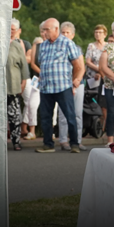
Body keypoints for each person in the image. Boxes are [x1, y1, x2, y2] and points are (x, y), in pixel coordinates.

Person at [34, 18, 85, 153]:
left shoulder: (67, 43)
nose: (44, 32)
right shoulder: (43, 45)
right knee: (45, 117)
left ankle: (74, 144)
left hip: (63, 87)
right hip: (45, 87)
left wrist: (73, 82)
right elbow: (41, 63)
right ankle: (48, 144)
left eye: (47, 30)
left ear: (56, 29)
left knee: (70, 116)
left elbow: (78, 66)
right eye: (43, 30)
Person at [56, 21, 86, 151]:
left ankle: (77, 141)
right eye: (63, 32)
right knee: (63, 114)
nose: (65, 34)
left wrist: (76, 81)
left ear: (72, 35)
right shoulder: (55, 48)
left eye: (68, 32)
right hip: (62, 85)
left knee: (77, 113)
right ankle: (63, 140)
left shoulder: (77, 48)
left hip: (77, 84)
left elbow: (80, 67)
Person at [6, 19, 29, 151]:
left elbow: (24, 66)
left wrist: (24, 82)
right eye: (8, 29)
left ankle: (16, 141)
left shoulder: (17, 45)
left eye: (12, 29)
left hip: (13, 85)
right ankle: (0, 142)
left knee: (14, 115)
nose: (10, 31)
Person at [85, 24, 108, 130]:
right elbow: (88, 62)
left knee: (104, 103)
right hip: (93, 78)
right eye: (96, 32)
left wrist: (103, 71)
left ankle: (104, 127)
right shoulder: (91, 46)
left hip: (105, 78)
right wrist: (99, 70)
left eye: (100, 32)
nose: (97, 34)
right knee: (92, 102)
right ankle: (91, 125)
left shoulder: (108, 46)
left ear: (105, 34)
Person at [22, 36, 44, 140]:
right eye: (37, 44)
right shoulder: (34, 52)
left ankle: (51, 131)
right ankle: (32, 131)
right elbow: (32, 64)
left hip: (48, 81)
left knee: (53, 107)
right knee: (32, 105)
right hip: (35, 81)